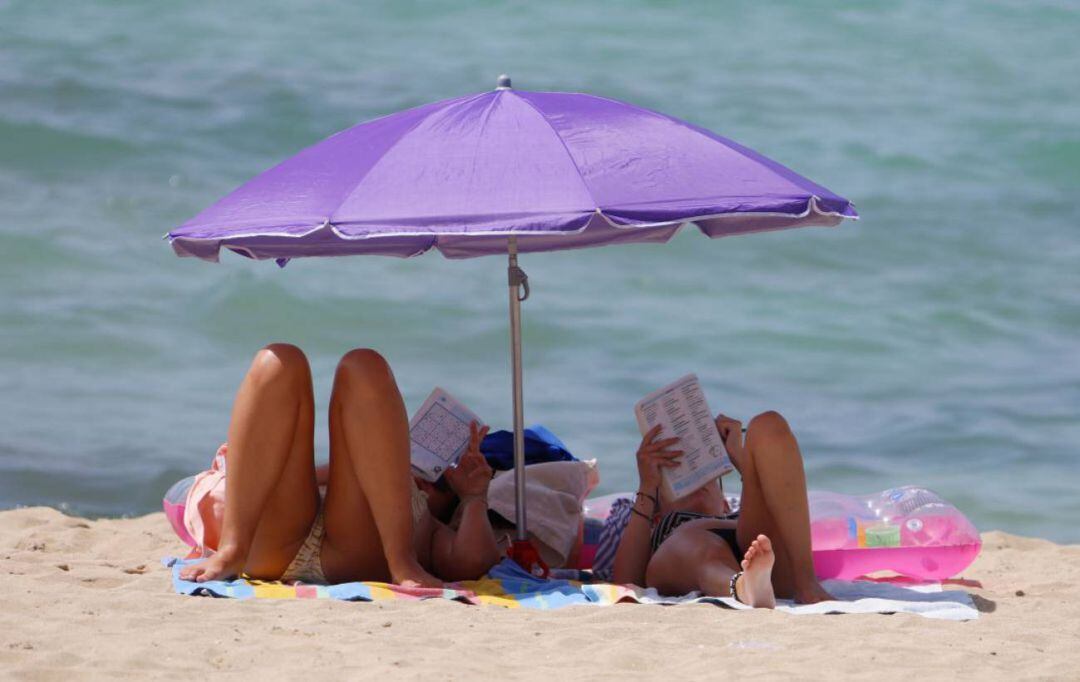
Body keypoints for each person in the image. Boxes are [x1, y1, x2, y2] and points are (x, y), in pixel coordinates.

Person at [179, 344, 503, 587]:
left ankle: (401, 562)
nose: (436, 480)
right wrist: (394, 463)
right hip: (286, 539)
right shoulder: (373, 478)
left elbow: (472, 561)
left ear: (448, 501)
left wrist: (474, 496)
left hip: (362, 552)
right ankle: (233, 548)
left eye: (444, 481)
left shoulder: (432, 528)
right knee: (278, 360)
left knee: (365, 365)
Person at [611, 411, 833, 608]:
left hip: (759, 553)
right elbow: (625, 582)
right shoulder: (663, 526)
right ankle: (743, 586)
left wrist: (738, 454)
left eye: (706, 479)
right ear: (658, 515)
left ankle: (806, 582)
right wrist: (648, 485)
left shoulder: (739, 513)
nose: (698, 482)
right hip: (688, 554)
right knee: (700, 546)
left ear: (725, 503)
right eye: (677, 476)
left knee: (768, 424)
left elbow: (766, 492)